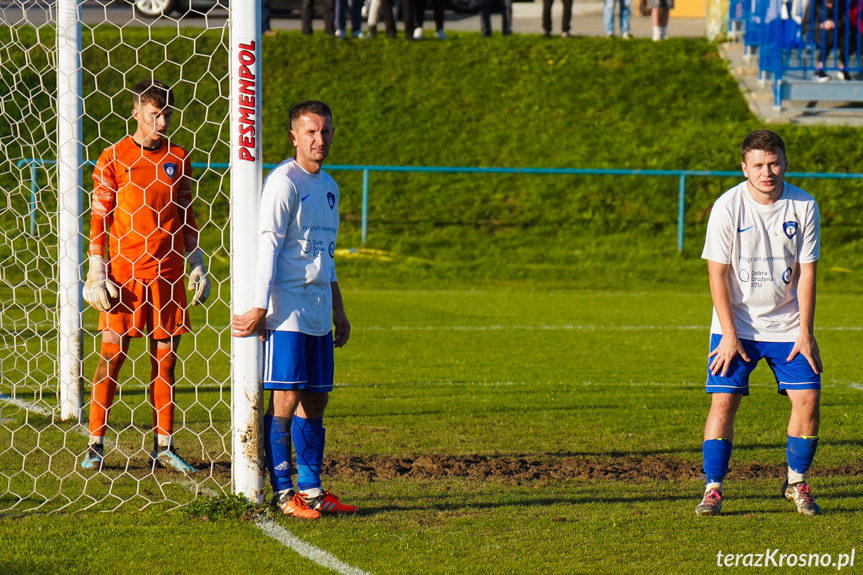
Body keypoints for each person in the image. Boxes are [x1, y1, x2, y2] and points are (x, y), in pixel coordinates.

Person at [232, 100, 357, 519]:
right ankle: (284, 494)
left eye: (324, 131)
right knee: (284, 397)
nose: (319, 140)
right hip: (285, 310)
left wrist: (339, 310)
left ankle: (314, 490)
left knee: (316, 401)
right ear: (294, 136)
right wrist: (257, 306)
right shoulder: (283, 183)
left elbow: (328, 254)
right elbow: (267, 246)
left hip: (319, 310)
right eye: (310, 132)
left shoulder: (330, 187)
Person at [80, 79, 211, 474]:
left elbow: (187, 212)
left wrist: (197, 260)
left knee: (166, 362)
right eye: (154, 115)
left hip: (168, 274)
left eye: (167, 114)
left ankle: (164, 446)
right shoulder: (112, 157)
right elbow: (100, 215)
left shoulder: (178, 157)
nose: (162, 122)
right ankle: (95, 443)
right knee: (113, 354)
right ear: (136, 113)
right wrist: (96, 267)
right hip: (124, 274)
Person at [696, 130, 823, 517]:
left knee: (809, 399)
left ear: (784, 162)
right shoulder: (727, 206)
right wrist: (729, 335)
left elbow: (806, 273)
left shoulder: (804, 206)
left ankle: (796, 482)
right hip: (736, 324)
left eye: (773, 163)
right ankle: (713, 488)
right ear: (744, 167)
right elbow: (716, 275)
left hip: (788, 326)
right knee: (724, 401)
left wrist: (805, 331)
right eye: (758, 165)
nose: (767, 172)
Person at [803, 0, 856, 81]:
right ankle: (819, 69)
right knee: (829, 34)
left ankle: (843, 68)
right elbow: (806, 25)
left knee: (848, 37)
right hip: (818, 32)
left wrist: (836, 23)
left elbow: (846, 22)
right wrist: (822, 25)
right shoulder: (815, 3)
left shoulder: (842, 3)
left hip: (838, 31)